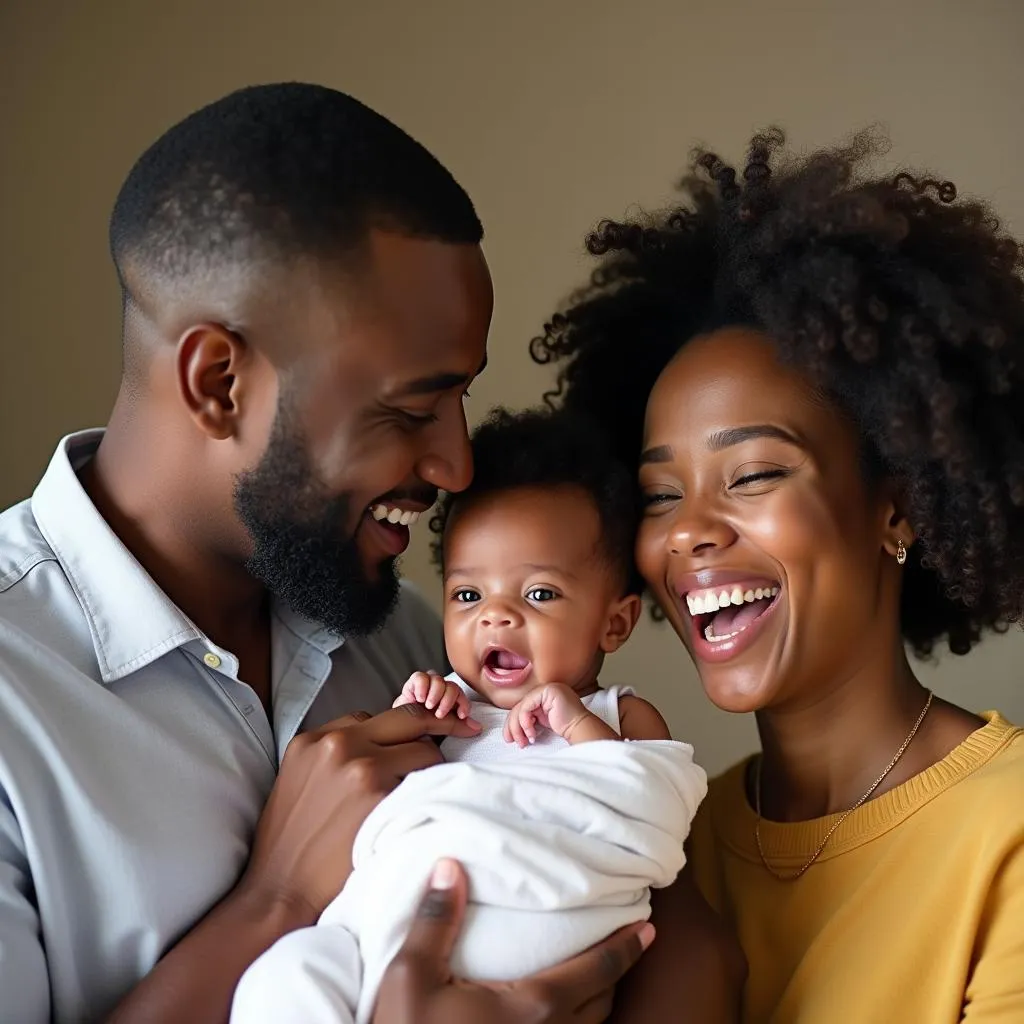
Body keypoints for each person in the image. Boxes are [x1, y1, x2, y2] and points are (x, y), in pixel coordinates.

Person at [0, 83, 711, 1024]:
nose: (458, 466)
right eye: (412, 411)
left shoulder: (411, 639)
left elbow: (689, 940)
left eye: (461, 403)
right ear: (219, 382)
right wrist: (277, 903)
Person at [534, 128, 1024, 1021]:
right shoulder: (654, 838)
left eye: (754, 475)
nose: (687, 533)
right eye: (657, 496)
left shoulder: (1009, 836)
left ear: (900, 504)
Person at [229, 407, 707, 1023]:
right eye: (467, 594)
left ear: (613, 623)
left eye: (538, 593)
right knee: (281, 978)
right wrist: (420, 710)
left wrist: (574, 722)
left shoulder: (620, 715)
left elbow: (654, 813)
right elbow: (393, 799)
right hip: (386, 926)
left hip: (525, 924)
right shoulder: (448, 702)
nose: (495, 616)